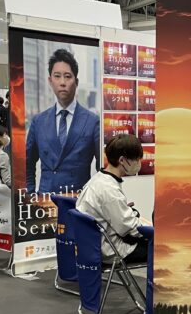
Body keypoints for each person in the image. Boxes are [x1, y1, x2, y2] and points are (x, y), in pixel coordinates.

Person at [25, 49, 100, 194]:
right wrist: (31, 195)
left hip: (78, 201)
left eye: (68, 76)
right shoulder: (38, 122)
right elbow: (28, 164)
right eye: (57, 76)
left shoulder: (92, 122)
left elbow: (101, 170)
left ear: (76, 82)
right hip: (45, 200)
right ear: (50, 81)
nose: (62, 82)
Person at [76, 134, 148, 263]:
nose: (139, 163)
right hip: (113, 250)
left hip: (92, 246)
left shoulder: (99, 179)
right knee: (161, 249)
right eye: (136, 159)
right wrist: (154, 230)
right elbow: (128, 229)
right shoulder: (110, 190)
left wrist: (123, 210)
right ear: (122, 160)